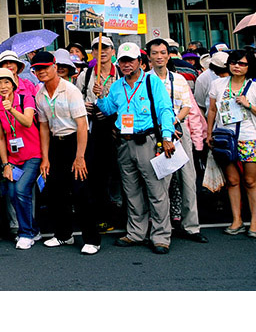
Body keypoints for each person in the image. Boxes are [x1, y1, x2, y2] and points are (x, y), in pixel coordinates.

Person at [95, 42, 176, 254]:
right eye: (123, 61)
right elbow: (109, 109)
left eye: (131, 60)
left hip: (148, 141)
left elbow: (165, 109)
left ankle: (160, 236)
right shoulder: (116, 86)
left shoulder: (152, 81)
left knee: (156, 191)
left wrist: (167, 136)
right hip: (124, 142)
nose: (127, 64)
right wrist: (100, 96)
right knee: (131, 191)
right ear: (118, 63)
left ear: (140, 61)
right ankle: (136, 233)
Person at [34, 50, 100, 255]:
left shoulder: (70, 91)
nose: (41, 72)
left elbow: (82, 125)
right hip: (55, 143)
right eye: (37, 69)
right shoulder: (40, 94)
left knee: (81, 191)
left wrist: (80, 157)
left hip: (76, 142)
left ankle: (92, 240)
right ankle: (64, 235)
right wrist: (45, 157)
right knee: (55, 191)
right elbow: (43, 127)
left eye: (45, 67)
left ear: (55, 67)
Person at [146, 37, 207, 243]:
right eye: (155, 53)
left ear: (168, 54)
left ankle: (191, 226)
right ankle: (162, 227)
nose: (159, 57)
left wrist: (172, 125)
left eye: (163, 52)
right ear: (149, 56)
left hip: (179, 130)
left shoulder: (178, 78)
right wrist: (164, 129)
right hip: (155, 133)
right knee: (161, 182)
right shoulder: (145, 80)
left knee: (187, 179)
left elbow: (187, 106)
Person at [0, 67, 41, 249]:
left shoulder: (25, 98)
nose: (3, 86)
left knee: (21, 190)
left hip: (33, 154)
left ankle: (25, 233)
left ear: (13, 84)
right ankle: (33, 229)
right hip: (13, 158)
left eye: (6, 82)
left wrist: (11, 110)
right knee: (11, 193)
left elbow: (27, 121)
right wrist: (5, 164)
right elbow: (0, 137)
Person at [206, 48, 256, 237]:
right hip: (224, 136)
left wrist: (248, 104)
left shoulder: (253, 86)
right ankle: (237, 220)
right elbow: (211, 110)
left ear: (249, 66)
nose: (237, 66)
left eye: (242, 63)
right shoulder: (218, 84)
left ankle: (254, 222)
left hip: (249, 136)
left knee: (251, 181)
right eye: (234, 62)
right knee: (232, 181)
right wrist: (209, 133)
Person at [80, 36, 122, 231]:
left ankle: (125, 214)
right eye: (97, 49)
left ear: (113, 51)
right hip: (94, 127)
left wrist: (105, 98)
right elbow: (78, 100)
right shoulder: (86, 75)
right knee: (98, 173)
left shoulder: (121, 73)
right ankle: (103, 215)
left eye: (106, 48)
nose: (102, 52)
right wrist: (86, 105)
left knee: (120, 173)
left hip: (119, 127)